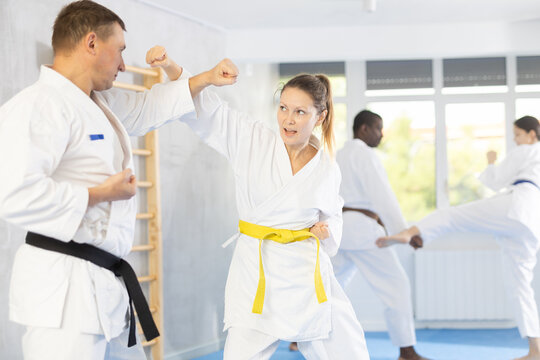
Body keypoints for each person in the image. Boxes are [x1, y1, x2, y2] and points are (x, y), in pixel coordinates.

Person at [0, 1, 197, 359]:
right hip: (62, 294)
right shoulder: (37, 105)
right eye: (119, 50)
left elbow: (149, 108)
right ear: (91, 43)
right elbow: (14, 194)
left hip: (104, 287)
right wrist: (98, 194)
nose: (123, 64)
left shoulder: (95, 103)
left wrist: (207, 78)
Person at [158, 55, 370, 358]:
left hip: (305, 271)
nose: (288, 119)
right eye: (283, 108)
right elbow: (210, 110)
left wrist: (327, 231)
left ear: (319, 117)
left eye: (300, 112)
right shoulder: (252, 140)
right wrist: (170, 67)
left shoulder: (326, 168)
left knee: (349, 348)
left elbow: (334, 216)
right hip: (257, 271)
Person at [377, 116, 540, 360]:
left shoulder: (527, 149)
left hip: (515, 205)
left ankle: (412, 232)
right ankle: (536, 351)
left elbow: (495, 181)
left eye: (517, 135)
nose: (516, 140)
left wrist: (491, 161)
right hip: (531, 221)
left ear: (531, 134)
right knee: (521, 286)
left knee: (452, 216)